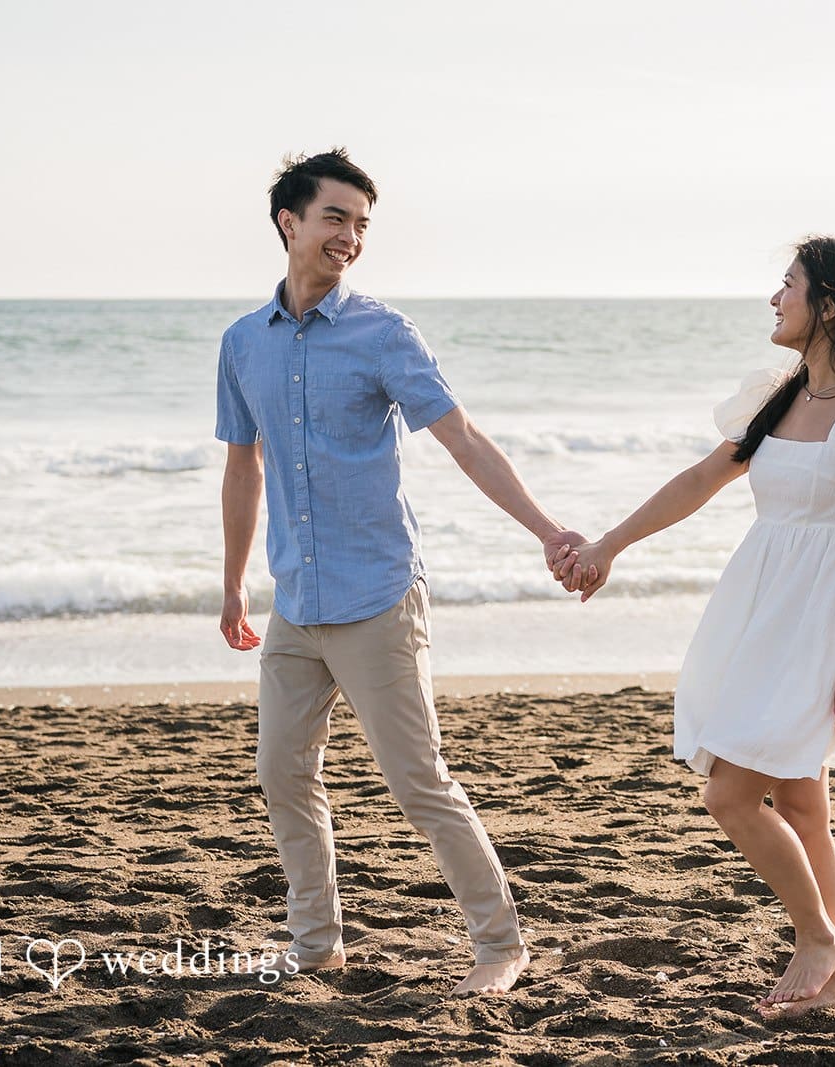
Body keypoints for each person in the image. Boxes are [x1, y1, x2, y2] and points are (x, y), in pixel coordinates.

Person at [217, 148, 584, 995]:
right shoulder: (243, 344)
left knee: (419, 781)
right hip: (295, 602)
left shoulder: (383, 333)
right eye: (335, 217)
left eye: (362, 224)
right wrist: (235, 582)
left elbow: (460, 438)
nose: (350, 236)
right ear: (290, 222)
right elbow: (245, 466)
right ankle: (316, 944)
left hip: (379, 597)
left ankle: (500, 944)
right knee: (281, 771)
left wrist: (545, 528)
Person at [552, 234, 835, 1017]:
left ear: (830, 303)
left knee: (730, 796)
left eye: (788, 284)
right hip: (759, 609)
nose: (775, 298)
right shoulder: (781, 392)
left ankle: (818, 938)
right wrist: (607, 546)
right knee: (801, 807)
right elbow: (702, 478)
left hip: (822, 622)